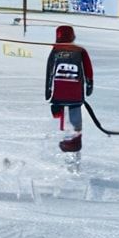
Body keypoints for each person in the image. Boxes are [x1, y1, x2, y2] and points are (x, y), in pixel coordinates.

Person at [44, 25, 93, 155]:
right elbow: (88, 69)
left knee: (61, 118)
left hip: (59, 95)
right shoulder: (80, 50)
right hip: (75, 95)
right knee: (75, 117)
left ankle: (65, 141)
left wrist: (48, 91)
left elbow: (49, 72)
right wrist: (89, 83)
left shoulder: (55, 51)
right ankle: (74, 143)